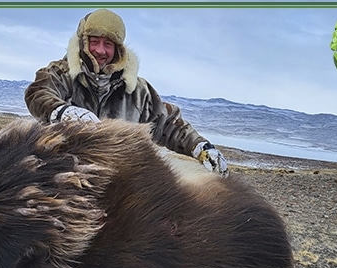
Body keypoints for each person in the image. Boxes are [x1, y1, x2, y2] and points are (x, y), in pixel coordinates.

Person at [24, 8, 228, 176]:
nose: (100, 51)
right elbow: (38, 92)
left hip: (119, 182)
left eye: (108, 44)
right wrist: (60, 111)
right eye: (94, 41)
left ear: (118, 49)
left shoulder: (139, 91)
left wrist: (201, 147)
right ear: (84, 43)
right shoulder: (60, 73)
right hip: (64, 175)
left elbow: (168, 125)